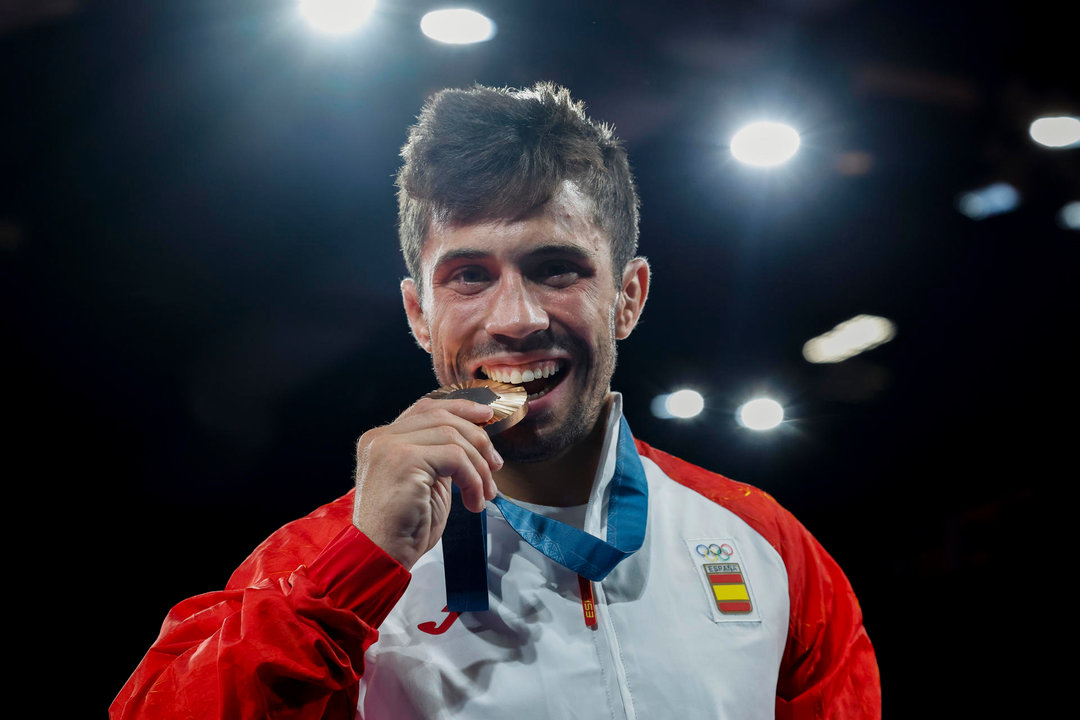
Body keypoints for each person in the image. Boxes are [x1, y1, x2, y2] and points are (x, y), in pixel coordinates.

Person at [112, 82, 880, 719]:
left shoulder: (766, 545)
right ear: (419, 313)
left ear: (628, 297)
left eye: (557, 268)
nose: (515, 319)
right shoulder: (314, 564)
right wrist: (355, 571)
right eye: (469, 276)